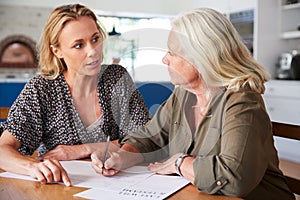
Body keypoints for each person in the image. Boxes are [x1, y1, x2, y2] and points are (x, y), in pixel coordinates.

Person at [91, 8, 295, 200]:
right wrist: (122, 155)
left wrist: (180, 163)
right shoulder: (183, 95)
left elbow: (234, 178)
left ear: (200, 57)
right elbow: (150, 137)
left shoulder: (242, 101)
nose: (164, 59)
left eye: (172, 52)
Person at [0, 4, 150, 186]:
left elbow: (146, 139)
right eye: (79, 45)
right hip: (60, 190)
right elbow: (3, 150)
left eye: (95, 39)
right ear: (57, 51)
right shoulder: (42, 89)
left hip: (117, 187)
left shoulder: (116, 78)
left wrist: (82, 149)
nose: (92, 51)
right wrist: (32, 167)